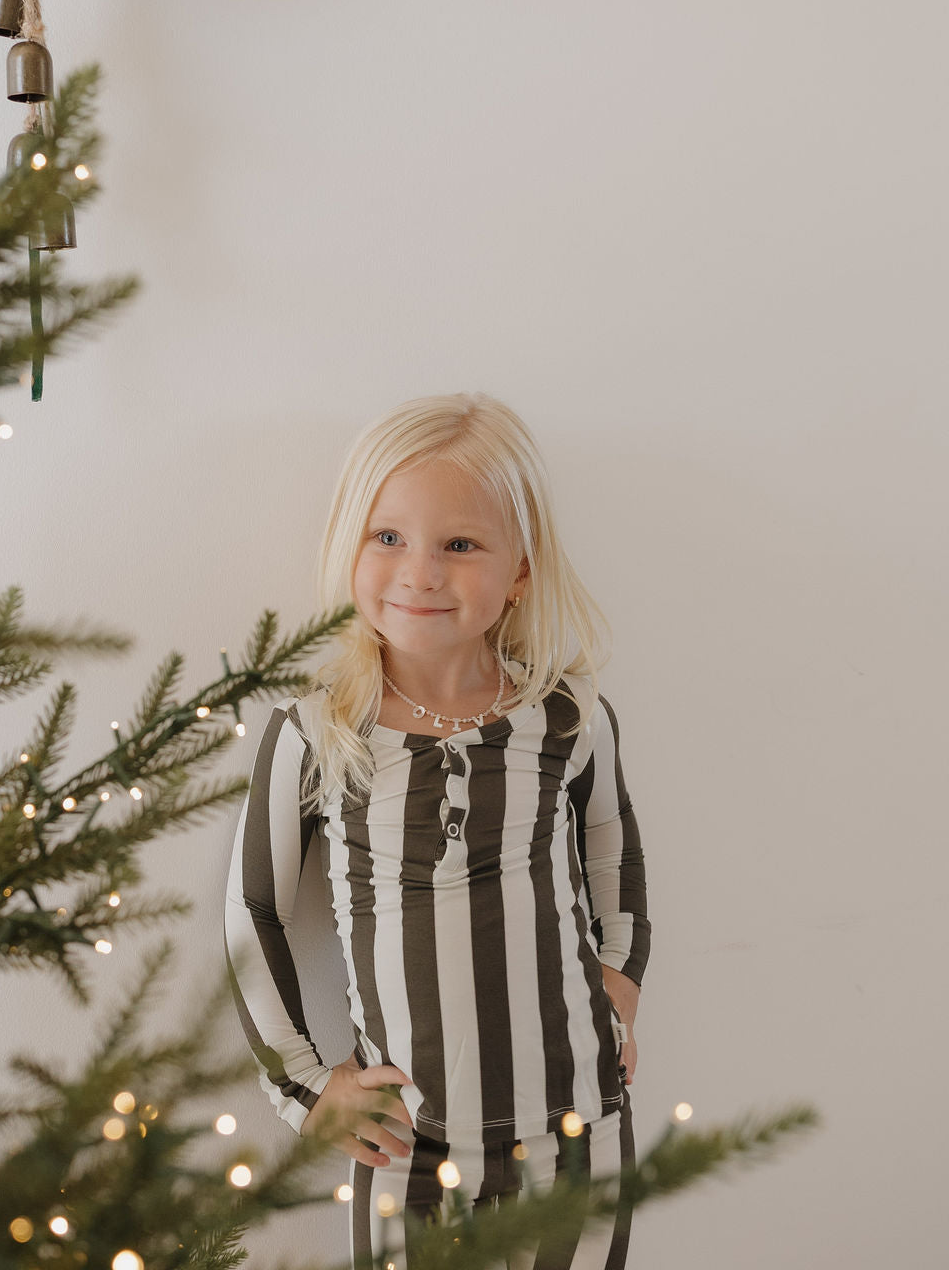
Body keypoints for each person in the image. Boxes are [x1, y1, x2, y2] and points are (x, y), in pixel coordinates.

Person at [224, 393, 650, 1269]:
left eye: (459, 545)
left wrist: (620, 984)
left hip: (579, 1122)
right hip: (410, 1140)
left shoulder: (566, 716)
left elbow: (613, 852)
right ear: (351, 547)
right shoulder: (317, 730)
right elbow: (251, 911)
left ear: (520, 571)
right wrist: (308, 1089)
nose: (419, 573)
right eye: (388, 538)